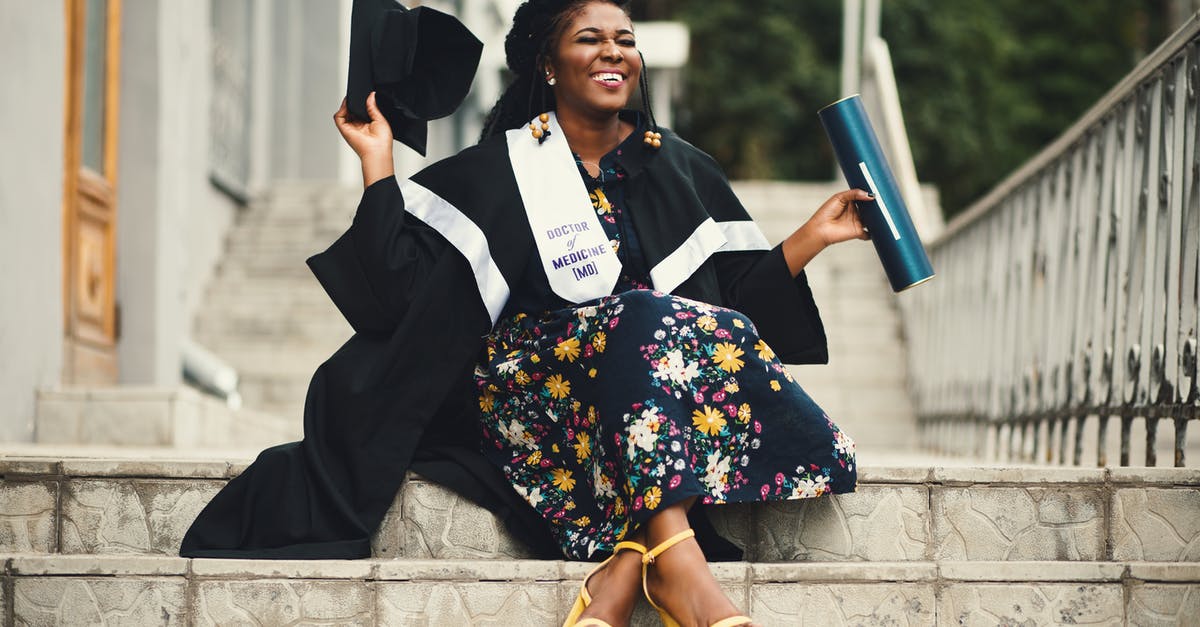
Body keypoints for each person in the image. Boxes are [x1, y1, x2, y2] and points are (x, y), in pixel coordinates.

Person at [185, 1, 864, 625]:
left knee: (677, 326)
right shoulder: (497, 172)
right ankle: (679, 563)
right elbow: (395, 297)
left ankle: (633, 564)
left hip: (635, 399)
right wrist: (377, 161)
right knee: (641, 318)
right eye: (590, 38)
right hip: (532, 399)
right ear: (547, 62)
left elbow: (723, 318)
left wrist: (811, 237)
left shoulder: (683, 171)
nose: (614, 52)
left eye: (626, 40)